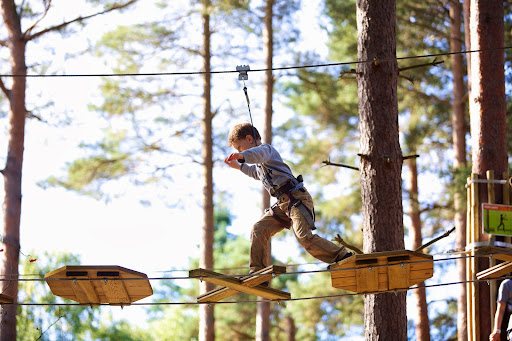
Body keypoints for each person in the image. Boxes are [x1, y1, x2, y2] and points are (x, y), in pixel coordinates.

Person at [224, 122, 353, 276]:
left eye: (239, 147)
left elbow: (256, 155)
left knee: (304, 237)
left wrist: (242, 156)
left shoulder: (266, 150)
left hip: (297, 199)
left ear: (250, 139)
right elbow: (255, 172)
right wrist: (238, 166)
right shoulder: (259, 163)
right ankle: (259, 272)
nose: (239, 151)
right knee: (258, 228)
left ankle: (343, 255)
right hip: (283, 204)